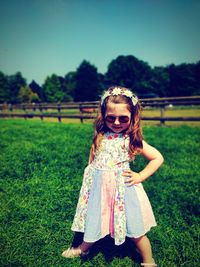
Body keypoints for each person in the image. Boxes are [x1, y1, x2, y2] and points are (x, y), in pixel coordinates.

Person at [62, 86, 164, 266]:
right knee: (95, 219)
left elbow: (157, 157)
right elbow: (92, 157)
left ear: (132, 117)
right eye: (111, 118)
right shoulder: (100, 136)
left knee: (135, 228)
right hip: (100, 189)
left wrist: (140, 175)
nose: (117, 122)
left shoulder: (131, 139)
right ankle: (83, 248)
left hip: (123, 191)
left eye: (123, 118)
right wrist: (90, 174)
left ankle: (148, 260)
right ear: (104, 115)